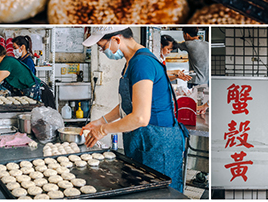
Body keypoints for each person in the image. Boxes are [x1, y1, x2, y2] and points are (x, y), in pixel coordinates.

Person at [80, 26, 190, 192]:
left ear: (117, 39)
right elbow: (129, 104)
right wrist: (100, 122)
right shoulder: (132, 61)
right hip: (144, 139)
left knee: (159, 195)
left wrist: (103, 130)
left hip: (158, 143)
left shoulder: (141, 63)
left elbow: (140, 117)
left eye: (102, 47)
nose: (103, 51)